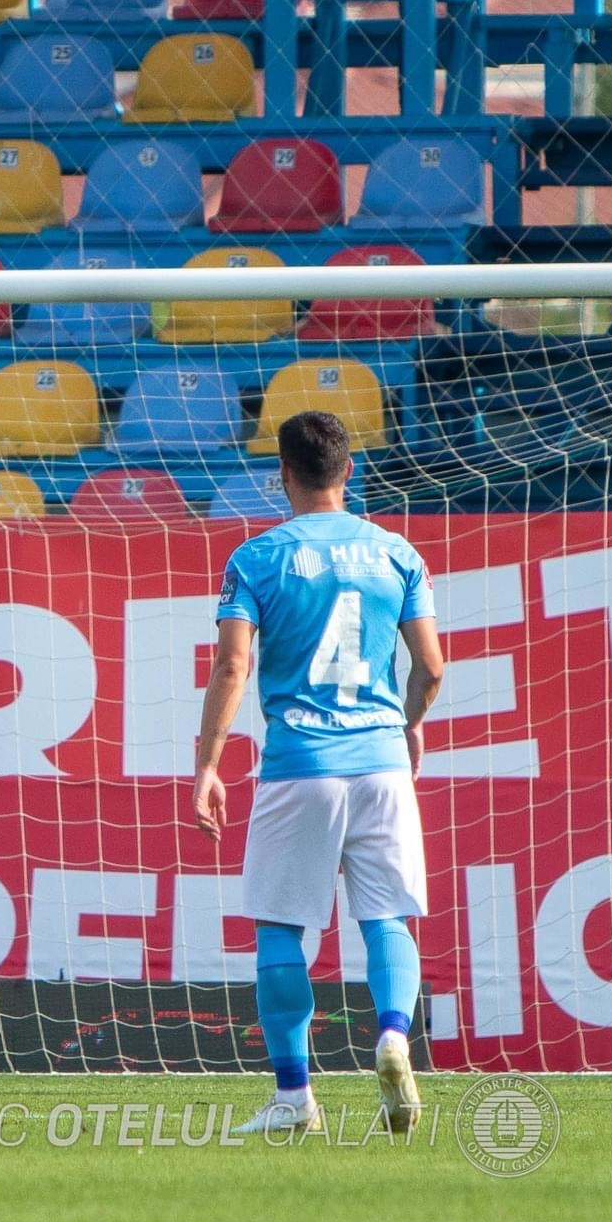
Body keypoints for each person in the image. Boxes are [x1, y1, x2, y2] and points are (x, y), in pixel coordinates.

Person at [192, 409, 443, 1137]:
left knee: (280, 929)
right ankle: (394, 1035)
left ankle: (294, 1098)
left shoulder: (257, 558)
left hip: (300, 762)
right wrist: (410, 724)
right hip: (382, 763)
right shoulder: (397, 553)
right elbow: (429, 666)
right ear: (349, 472)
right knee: (387, 918)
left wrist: (208, 764)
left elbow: (233, 665)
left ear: (284, 475)